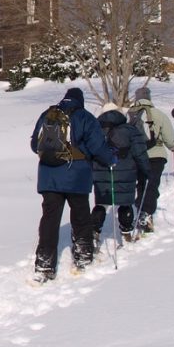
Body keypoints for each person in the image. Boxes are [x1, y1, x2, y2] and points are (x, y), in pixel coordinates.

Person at [29, 87, 113, 283]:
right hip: (77, 175)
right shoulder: (84, 117)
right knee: (81, 215)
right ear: (80, 101)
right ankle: (83, 256)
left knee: (50, 219)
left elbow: (35, 145)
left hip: (49, 177)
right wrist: (110, 159)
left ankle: (44, 264)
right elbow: (97, 146)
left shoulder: (47, 114)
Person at [91, 103, 152, 243]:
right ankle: (126, 233)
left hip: (101, 173)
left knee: (101, 204)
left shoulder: (95, 131)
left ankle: (94, 231)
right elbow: (140, 153)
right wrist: (146, 170)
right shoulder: (130, 130)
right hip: (126, 174)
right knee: (125, 203)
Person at [128, 86, 174, 234]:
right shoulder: (158, 114)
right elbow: (169, 138)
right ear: (149, 98)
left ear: (136, 98)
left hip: (136, 155)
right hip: (156, 155)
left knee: (141, 184)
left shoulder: (130, 114)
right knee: (152, 184)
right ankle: (147, 213)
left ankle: (140, 209)